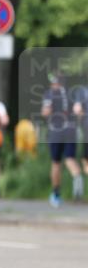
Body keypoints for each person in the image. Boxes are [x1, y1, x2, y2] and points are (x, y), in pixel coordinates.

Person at [42, 73, 84, 206]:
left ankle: (55, 193)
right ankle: (77, 177)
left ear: (54, 83)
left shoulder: (50, 93)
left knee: (56, 163)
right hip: (71, 130)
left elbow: (46, 111)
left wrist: (45, 113)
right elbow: (79, 112)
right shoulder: (72, 93)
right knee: (70, 158)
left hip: (56, 131)